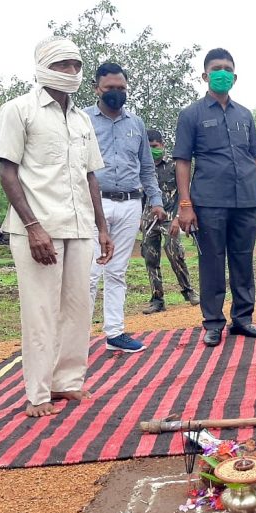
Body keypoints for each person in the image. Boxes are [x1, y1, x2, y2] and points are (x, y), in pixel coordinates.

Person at [0, 36, 114, 417]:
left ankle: (68, 383)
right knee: (41, 310)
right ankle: (38, 393)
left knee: (79, 308)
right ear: (43, 66)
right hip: (38, 229)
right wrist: (32, 226)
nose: (71, 72)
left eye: (76, 66)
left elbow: (90, 177)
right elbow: (7, 171)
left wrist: (103, 227)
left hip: (79, 227)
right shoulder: (19, 110)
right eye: (63, 64)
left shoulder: (81, 120)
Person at [173, 48, 256, 347]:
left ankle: (243, 319)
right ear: (204, 75)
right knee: (212, 263)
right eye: (216, 68)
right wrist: (185, 204)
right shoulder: (191, 114)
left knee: (243, 262)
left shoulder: (245, 115)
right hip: (209, 202)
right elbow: (182, 160)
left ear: (235, 76)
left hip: (245, 202)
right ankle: (213, 323)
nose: (222, 73)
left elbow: (254, 158)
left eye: (228, 68)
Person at [86, 63, 164, 353]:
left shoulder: (136, 124)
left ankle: (115, 333)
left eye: (121, 88)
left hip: (131, 202)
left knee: (117, 271)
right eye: (109, 89)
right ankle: (78, 339)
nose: (116, 93)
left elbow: (146, 166)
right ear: (97, 88)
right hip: (95, 203)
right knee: (90, 273)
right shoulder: (83, 120)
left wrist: (155, 201)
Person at [140, 129, 199, 314]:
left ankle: (188, 291)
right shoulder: (143, 167)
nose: (152, 150)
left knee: (175, 252)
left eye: (155, 146)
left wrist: (177, 217)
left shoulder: (174, 165)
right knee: (150, 258)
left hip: (170, 217)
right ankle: (157, 300)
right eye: (148, 147)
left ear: (162, 144)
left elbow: (184, 192)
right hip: (149, 219)